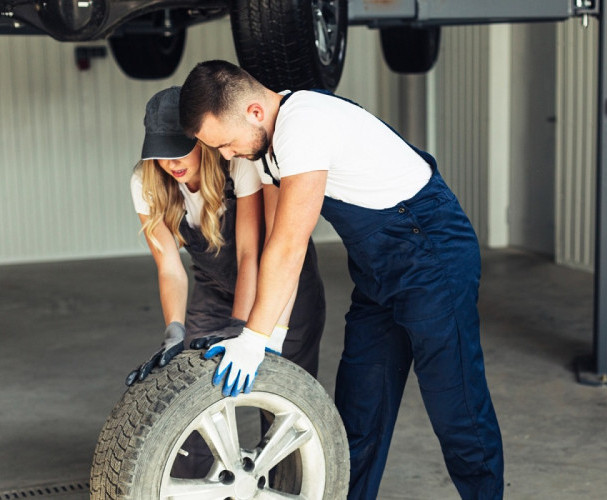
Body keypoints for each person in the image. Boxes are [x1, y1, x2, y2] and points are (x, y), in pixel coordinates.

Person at [179, 60, 504, 499]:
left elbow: (291, 244)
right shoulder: (265, 149)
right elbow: (278, 246)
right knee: (359, 410)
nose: (225, 155)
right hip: (378, 272)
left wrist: (252, 338)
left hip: (430, 253)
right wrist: (268, 336)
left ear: (254, 112)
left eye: (225, 143)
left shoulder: (304, 124)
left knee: (456, 406)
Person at [125, 86, 326, 389]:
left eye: (180, 150)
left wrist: (241, 327)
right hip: (213, 291)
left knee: (276, 391)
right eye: (161, 153)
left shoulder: (237, 165)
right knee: (185, 384)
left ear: (201, 139)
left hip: (279, 288)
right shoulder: (145, 182)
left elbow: (248, 253)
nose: (171, 163)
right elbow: (168, 267)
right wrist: (174, 331)